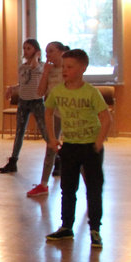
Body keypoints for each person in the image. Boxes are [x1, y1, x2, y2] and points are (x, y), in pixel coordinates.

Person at [44, 49, 109, 248]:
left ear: (83, 69)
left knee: (94, 189)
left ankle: (95, 229)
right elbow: (48, 112)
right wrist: (52, 138)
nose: (65, 70)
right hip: (70, 146)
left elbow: (106, 118)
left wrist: (98, 142)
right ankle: (66, 227)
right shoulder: (58, 91)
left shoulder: (91, 92)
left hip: (90, 147)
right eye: (64, 67)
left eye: (70, 67)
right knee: (68, 189)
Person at [0, 39, 47, 175]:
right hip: (23, 102)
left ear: (36, 51)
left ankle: (57, 159)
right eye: (24, 48)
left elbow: (35, 69)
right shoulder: (22, 67)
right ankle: (13, 161)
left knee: (45, 131)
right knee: (19, 132)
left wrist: (36, 57)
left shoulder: (42, 66)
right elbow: (23, 83)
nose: (25, 51)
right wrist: (12, 88)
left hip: (37, 102)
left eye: (29, 48)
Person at [28, 40, 69, 196]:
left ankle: (87, 187)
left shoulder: (68, 68)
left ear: (61, 52)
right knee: (50, 147)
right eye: (46, 52)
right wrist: (45, 72)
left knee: (75, 150)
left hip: (70, 113)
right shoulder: (49, 70)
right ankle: (43, 184)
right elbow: (40, 92)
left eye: (51, 51)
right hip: (54, 114)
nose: (47, 55)